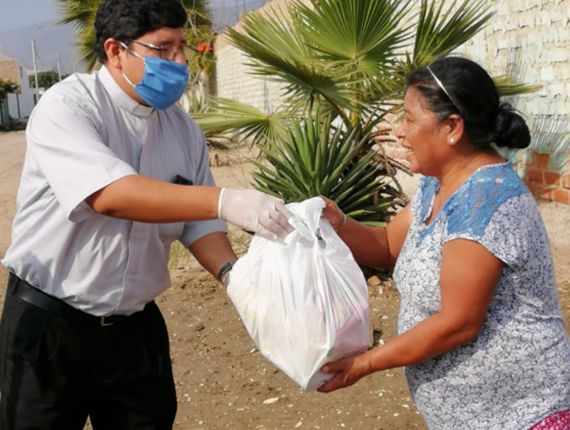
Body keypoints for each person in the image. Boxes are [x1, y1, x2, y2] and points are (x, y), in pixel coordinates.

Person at [0, 0, 292, 428]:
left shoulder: (181, 128)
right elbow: (110, 194)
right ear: (116, 51)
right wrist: (226, 200)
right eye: (163, 49)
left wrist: (235, 277)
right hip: (51, 326)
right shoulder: (69, 107)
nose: (179, 61)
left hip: (134, 333)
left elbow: (199, 223)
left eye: (181, 47)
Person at [317, 57, 570, 429]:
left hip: (520, 414)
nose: (399, 132)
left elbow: (458, 323)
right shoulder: (438, 184)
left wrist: (365, 362)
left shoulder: (486, 201)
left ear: (452, 127)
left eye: (409, 118)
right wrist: (338, 222)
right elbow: (389, 245)